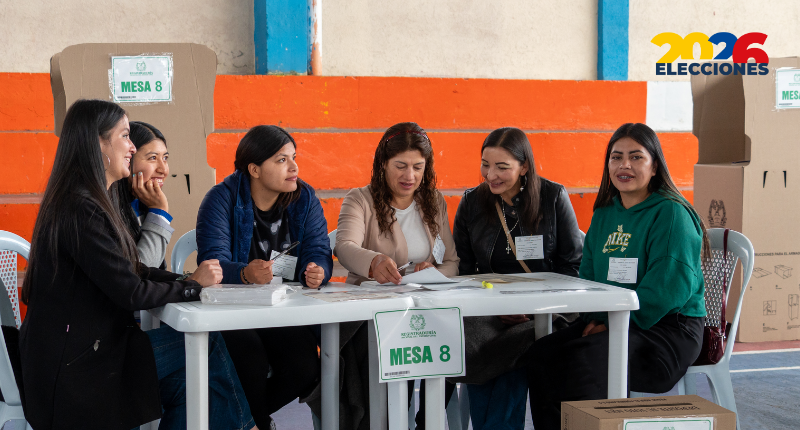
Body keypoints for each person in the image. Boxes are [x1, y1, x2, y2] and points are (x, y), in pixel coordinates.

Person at [18, 99, 256, 430]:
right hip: (77, 368)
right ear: (98, 143)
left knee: (190, 385)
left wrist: (187, 279)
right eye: (125, 136)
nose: (132, 147)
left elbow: (133, 269)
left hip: (87, 353)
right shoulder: (81, 208)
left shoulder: (87, 200)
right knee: (208, 343)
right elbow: (130, 292)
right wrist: (192, 286)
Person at [527, 123, 708, 430]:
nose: (624, 165)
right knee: (541, 355)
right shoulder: (604, 214)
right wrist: (597, 319)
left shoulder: (671, 213)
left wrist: (611, 324)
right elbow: (588, 277)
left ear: (654, 167)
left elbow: (666, 291)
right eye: (616, 157)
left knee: (582, 362)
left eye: (636, 157)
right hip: (610, 320)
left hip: (666, 330)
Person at [196, 124, 333, 429]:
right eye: (282, 160)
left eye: (294, 157)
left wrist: (318, 270)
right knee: (250, 357)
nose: (294, 167)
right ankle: (255, 422)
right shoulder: (221, 199)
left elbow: (319, 249)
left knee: (304, 366)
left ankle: (242, 422)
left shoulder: (304, 198)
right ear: (254, 169)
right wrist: (244, 274)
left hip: (282, 308)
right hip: (232, 311)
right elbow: (212, 262)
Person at [452, 127, 583, 429]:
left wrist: (534, 309)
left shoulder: (552, 197)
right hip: (489, 309)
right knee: (471, 341)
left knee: (518, 343)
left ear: (524, 167)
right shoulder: (472, 203)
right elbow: (464, 270)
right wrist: (494, 307)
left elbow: (572, 267)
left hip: (548, 310)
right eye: (485, 165)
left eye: (502, 167)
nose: (491, 175)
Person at [334, 122, 459, 429]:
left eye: (418, 167)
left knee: (456, 337)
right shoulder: (360, 199)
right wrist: (373, 262)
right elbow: (344, 246)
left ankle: (426, 421)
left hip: (425, 311)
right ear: (383, 164)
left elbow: (452, 262)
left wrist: (434, 272)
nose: (409, 176)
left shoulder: (434, 201)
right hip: (373, 315)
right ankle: (389, 420)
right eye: (400, 166)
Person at [117, 121, 174, 269]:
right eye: (153, 158)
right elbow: (138, 272)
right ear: (127, 159)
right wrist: (159, 213)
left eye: (165, 158)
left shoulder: (143, 204)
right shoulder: (107, 209)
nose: (163, 170)